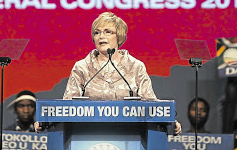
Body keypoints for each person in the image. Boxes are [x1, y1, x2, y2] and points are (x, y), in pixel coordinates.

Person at [37, 12, 181, 134]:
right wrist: (45, 120)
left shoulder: (136, 67)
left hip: (130, 134)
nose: (101, 36)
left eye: (108, 32)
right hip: (86, 134)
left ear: (119, 36)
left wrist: (169, 120)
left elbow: (151, 105)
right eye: (97, 32)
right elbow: (67, 107)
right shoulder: (82, 67)